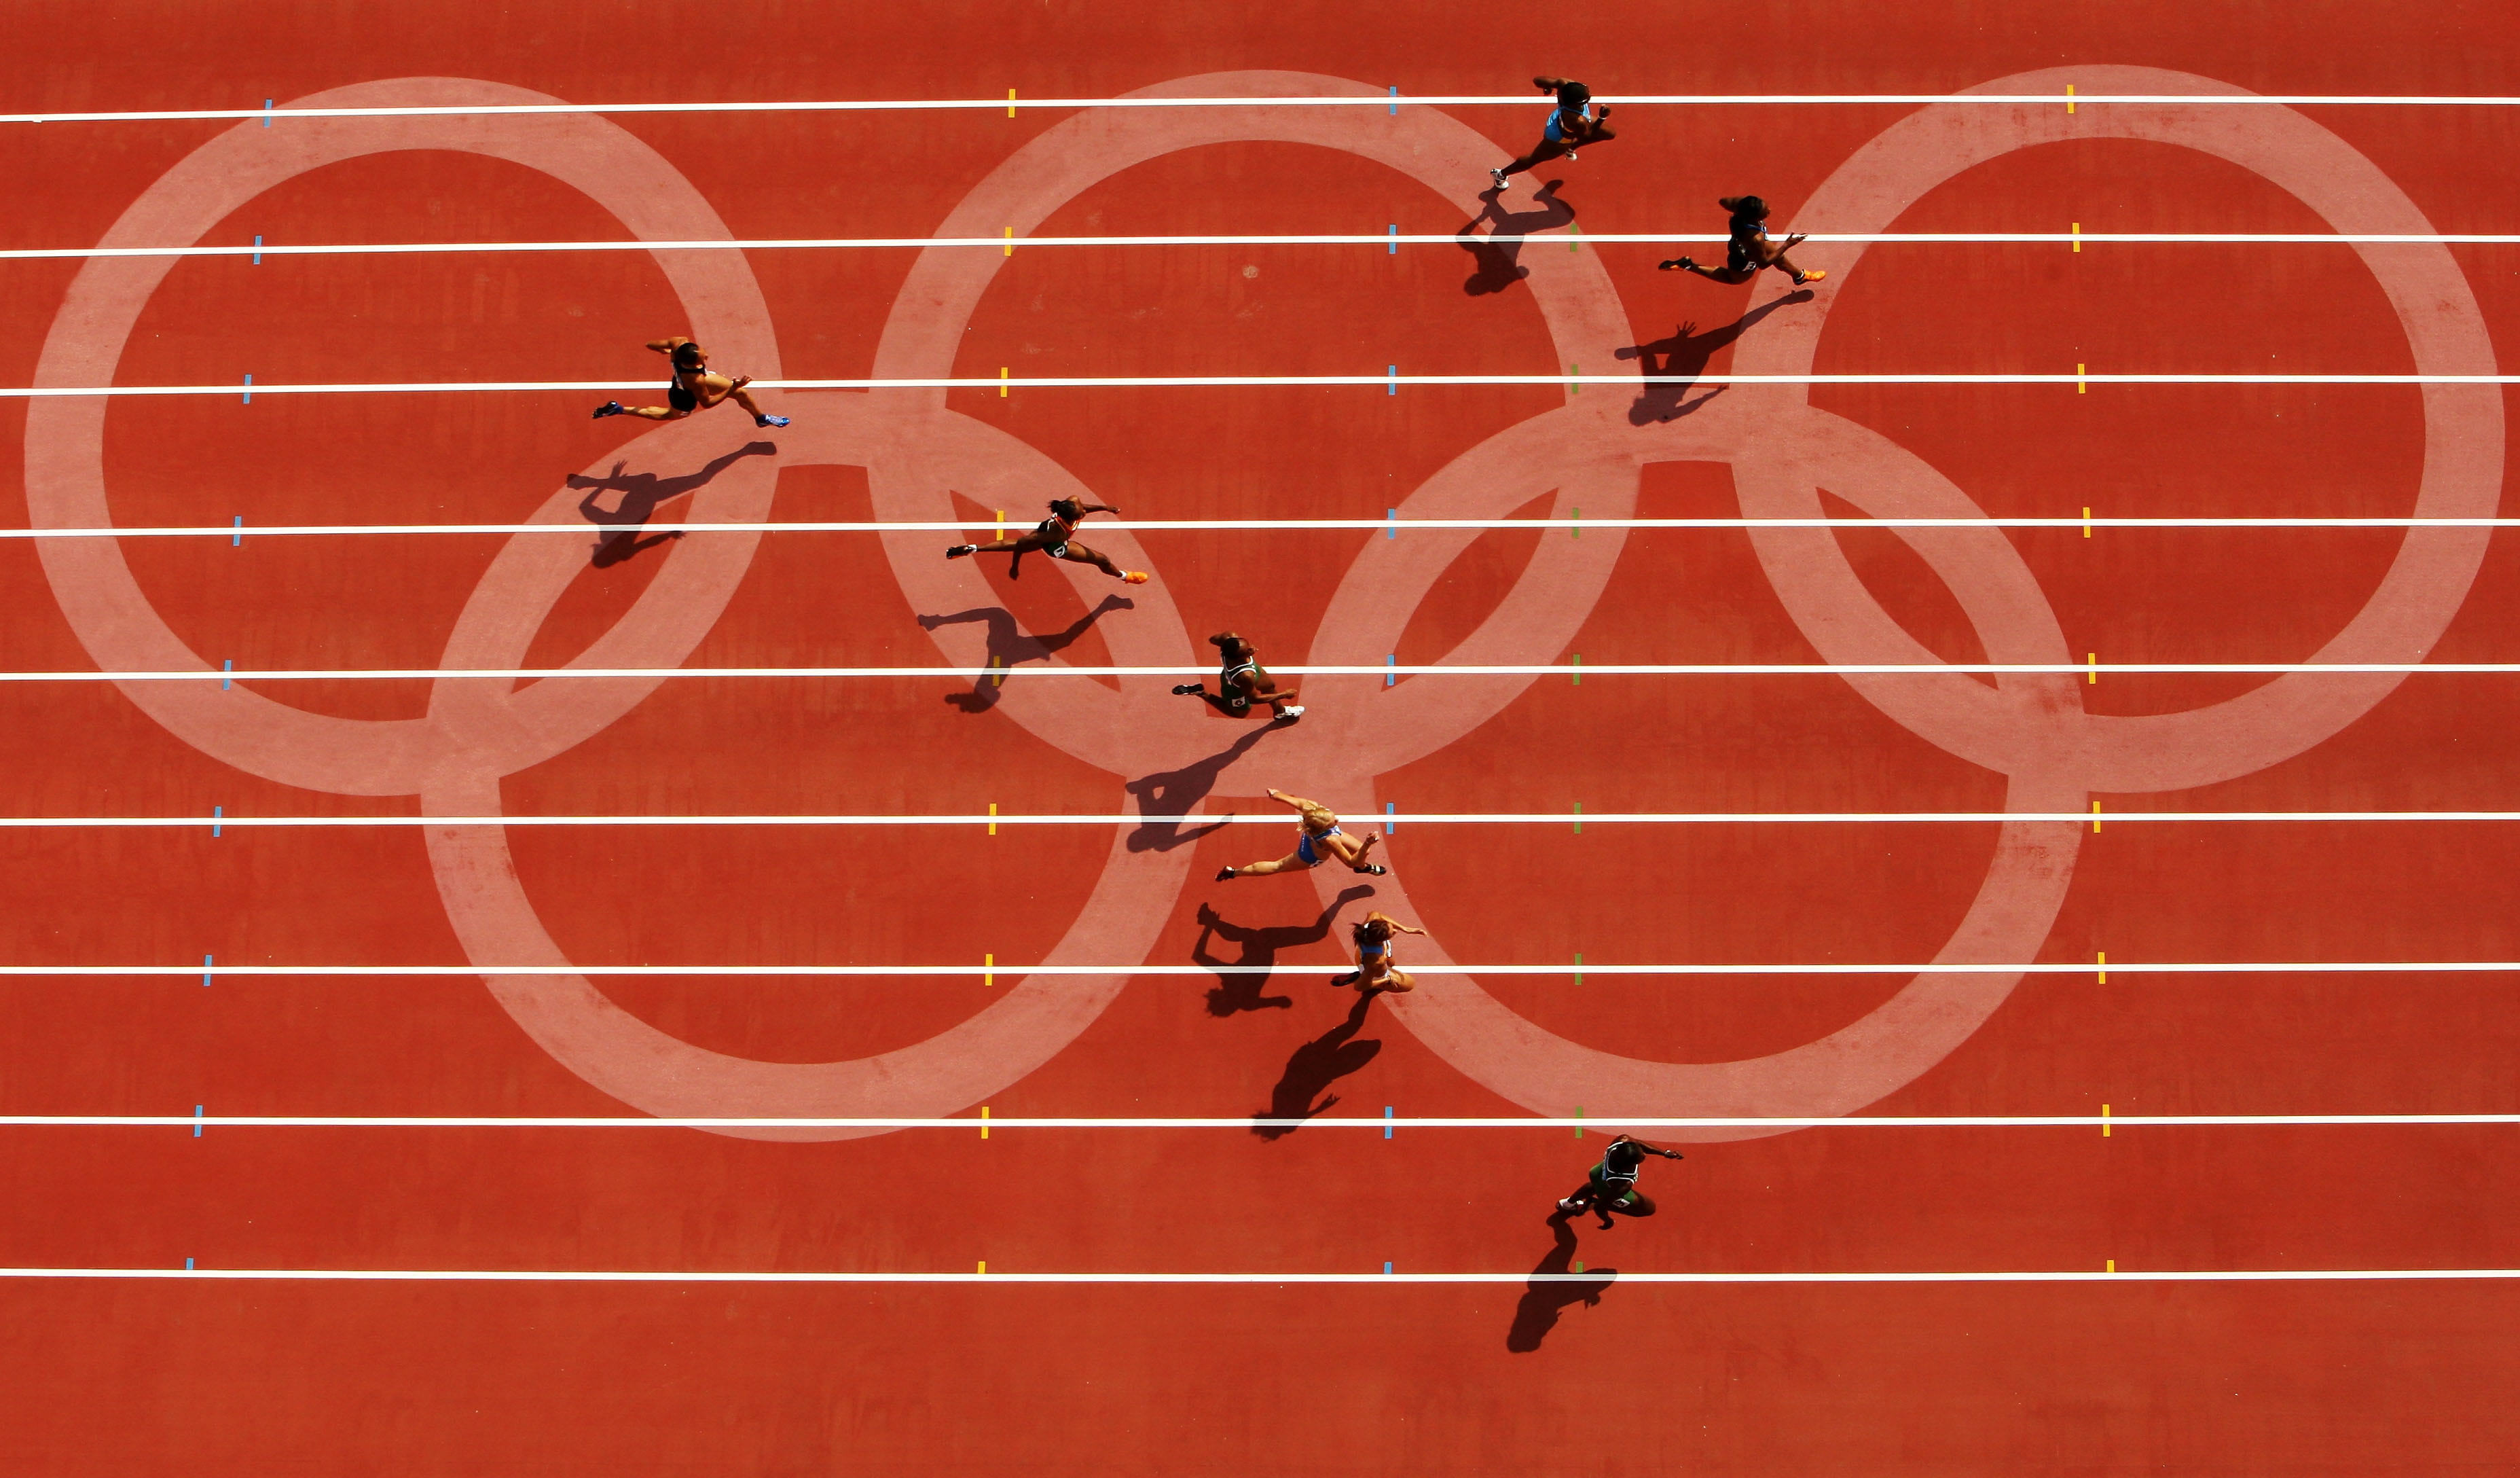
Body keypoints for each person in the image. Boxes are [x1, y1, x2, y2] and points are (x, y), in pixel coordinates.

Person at [593, 337, 790, 427]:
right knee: (667, 415)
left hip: (692, 375)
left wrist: (663, 349)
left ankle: (760, 418)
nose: (707, 356)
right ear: (693, 363)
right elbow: (707, 404)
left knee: (741, 394)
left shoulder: (678, 343)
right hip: (683, 396)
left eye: (703, 352)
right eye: (703, 358)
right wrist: (732, 386)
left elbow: (648, 344)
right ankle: (619, 409)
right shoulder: (695, 380)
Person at [945, 497, 1149, 583]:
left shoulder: (1073, 503)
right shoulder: (1057, 534)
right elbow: (1023, 545)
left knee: (1019, 542)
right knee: (1102, 560)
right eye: (1080, 515)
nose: (1083, 514)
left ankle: (972, 548)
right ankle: (1125, 577)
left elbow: (1084, 507)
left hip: (1046, 530)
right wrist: (1015, 567)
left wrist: (1105, 508)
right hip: (1057, 546)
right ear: (1069, 517)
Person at [1216, 789, 1386, 881]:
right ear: (1326, 828)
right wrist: (1368, 843)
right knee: (1278, 866)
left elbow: (1297, 802)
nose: (1337, 820)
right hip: (1310, 856)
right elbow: (1350, 862)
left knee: (1362, 855)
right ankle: (1234, 873)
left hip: (1314, 836)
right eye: (1334, 822)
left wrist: (1277, 795)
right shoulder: (1331, 840)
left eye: (1333, 816)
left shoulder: (1312, 810)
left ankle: (1364, 868)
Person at [1660, 196, 1826, 287]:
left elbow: (1723, 201)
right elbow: (1764, 263)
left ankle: (1800, 276)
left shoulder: (1740, 209)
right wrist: (1787, 245)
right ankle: (1690, 266)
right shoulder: (1755, 239)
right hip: (1744, 258)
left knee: (1779, 258)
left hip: (1741, 243)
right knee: (1734, 280)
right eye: (1765, 211)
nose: (1770, 210)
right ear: (1755, 217)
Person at [1489, 77, 1615, 192]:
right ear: (1578, 102)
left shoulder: (1564, 85)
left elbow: (1538, 80)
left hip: (1572, 123)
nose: (1590, 94)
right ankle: (1500, 175)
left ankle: (1571, 149)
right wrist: (1602, 117)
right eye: (1588, 96)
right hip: (1559, 138)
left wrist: (1547, 87)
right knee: (1534, 159)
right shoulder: (1576, 121)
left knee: (1609, 133)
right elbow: (1586, 135)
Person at [1556, 1134, 1683, 1229]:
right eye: (1640, 1160)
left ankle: (1568, 1204)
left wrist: (1665, 1153)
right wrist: (1608, 1221)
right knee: (1648, 1209)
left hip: (1597, 1172)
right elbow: (1601, 1207)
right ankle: (1589, 1204)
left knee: (1596, 1185)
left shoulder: (1622, 1141)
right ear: (1628, 1166)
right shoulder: (1623, 1184)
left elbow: (1637, 1143)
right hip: (1610, 1188)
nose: (1644, 1156)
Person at [1173, 632, 1302, 721]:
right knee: (1240, 714)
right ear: (1241, 658)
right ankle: (1201, 693)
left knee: (1269, 686)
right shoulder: (1245, 677)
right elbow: (1254, 698)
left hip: (1250, 669)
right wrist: (1284, 694)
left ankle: (1280, 711)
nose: (1252, 647)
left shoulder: (1229, 639)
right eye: (1248, 650)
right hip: (1235, 688)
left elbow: (1213, 639)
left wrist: (1226, 641)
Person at [1329, 911, 1425, 992]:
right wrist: (1386, 980)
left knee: (1391, 962)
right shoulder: (1377, 962)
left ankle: (1365, 974)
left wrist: (1406, 929)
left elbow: (1376, 914)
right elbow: (1359, 987)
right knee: (1410, 984)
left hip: (1362, 957)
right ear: (1381, 941)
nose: (1395, 931)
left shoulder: (1367, 929)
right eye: (1392, 933)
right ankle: (1369, 980)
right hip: (1375, 971)